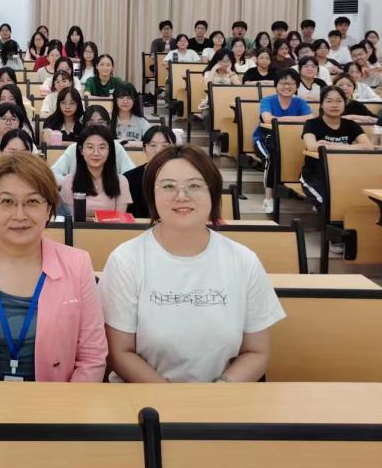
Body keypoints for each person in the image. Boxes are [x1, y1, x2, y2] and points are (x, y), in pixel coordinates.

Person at [99, 144, 285, 383]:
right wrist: (172, 398)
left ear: (213, 193)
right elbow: (119, 352)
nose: (181, 196)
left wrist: (217, 393)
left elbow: (256, 352)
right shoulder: (125, 260)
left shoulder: (243, 261)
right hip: (144, 398)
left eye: (194, 185)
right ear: (152, 195)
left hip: (222, 398)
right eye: (168, 186)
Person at [0, 152, 106, 382]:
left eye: (32, 202)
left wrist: (63, 405)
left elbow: (92, 358)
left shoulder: (79, 265)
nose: (20, 215)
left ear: (49, 208)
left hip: (58, 400)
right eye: (7, 202)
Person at [299, 86, 372, 206]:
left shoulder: (351, 125)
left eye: (339, 101)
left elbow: (368, 146)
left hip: (345, 173)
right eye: (329, 101)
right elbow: (312, 146)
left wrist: (332, 145)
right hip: (315, 175)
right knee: (329, 203)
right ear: (321, 104)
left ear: (345, 103)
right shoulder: (312, 124)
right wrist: (350, 147)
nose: (334, 105)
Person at [254, 69, 312, 215]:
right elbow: (268, 119)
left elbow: (311, 118)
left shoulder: (300, 102)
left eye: (291, 84)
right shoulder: (268, 100)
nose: (287, 87)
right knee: (271, 157)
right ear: (276, 85)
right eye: (283, 83)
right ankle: (268, 198)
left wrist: (283, 119)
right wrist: (294, 119)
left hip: (289, 141)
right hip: (264, 139)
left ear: (297, 86)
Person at [59, 125, 133, 219]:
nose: (96, 153)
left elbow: (119, 221)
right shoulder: (69, 181)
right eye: (90, 147)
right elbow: (71, 219)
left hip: (111, 228)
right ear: (81, 150)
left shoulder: (121, 182)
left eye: (102, 148)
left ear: (109, 150)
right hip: (78, 228)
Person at [50, 106, 136, 182]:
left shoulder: (116, 147)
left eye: (101, 123)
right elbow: (53, 174)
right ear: (84, 126)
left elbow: (131, 175)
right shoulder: (74, 148)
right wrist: (72, 182)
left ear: (108, 125)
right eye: (91, 124)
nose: (96, 128)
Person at [125, 126, 178, 218]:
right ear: (144, 148)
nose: (158, 151)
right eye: (153, 145)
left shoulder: (181, 177)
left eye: (165, 146)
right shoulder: (129, 178)